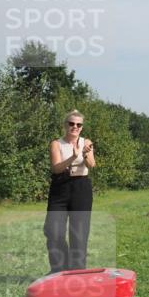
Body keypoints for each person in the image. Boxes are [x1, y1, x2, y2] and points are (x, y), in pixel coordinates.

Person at [45, 110, 96, 274]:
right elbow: (56, 168)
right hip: (60, 188)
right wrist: (73, 157)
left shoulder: (86, 142)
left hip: (81, 188)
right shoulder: (56, 144)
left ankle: (78, 272)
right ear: (65, 125)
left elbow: (92, 165)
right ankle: (59, 269)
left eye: (78, 124)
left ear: (81, 127)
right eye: (71, 123)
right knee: (53, 230)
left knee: (79, 233)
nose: (75, 127)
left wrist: (86, 154)